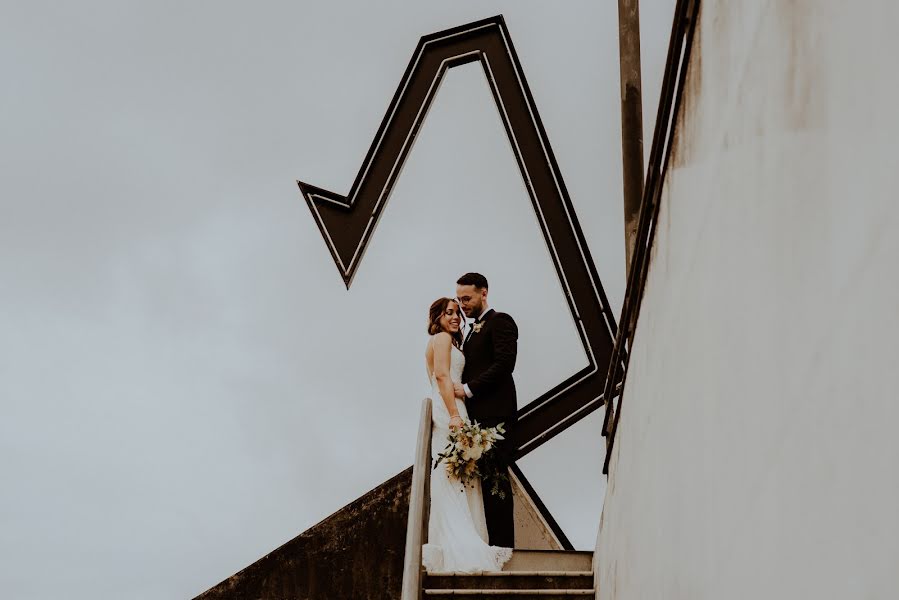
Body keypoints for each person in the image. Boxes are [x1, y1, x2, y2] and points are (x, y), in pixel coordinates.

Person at [421, 297, 513, 573]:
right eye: (448, 313)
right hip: (449, 407)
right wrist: (454, 414)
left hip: (453, 406)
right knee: (453, 475)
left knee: (457, 474)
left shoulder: (450, 342)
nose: (455, 318)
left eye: (457, 313)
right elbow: (441, 376)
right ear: (436, 318)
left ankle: (458, 539)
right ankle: (460, 544)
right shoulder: (441, 340)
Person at [453, 272, 518, 548]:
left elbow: (504, 364)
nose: (462, 304)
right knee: (485, 483)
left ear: (484, 293)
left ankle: (503, 547)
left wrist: (468, 389)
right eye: (459, 299)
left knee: (496, 481)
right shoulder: (470, 331)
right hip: (477, 420)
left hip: (496, 415)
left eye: (466, 298)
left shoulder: (500, 322)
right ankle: (491, 543)